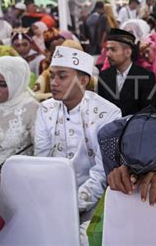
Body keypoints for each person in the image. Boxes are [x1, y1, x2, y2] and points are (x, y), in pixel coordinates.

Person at [35, 45, 121, 213]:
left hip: (95, 201)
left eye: (62, 76)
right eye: (52, 76)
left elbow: (101, 172)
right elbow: (41, 159)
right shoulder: (46, 109)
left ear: (83, 81)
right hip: (50, 196)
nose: (54, 83)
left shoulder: (107, 113)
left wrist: (72, 205)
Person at [98, 28, 156, 116]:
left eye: (113, 50)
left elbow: (147, 113)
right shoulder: (104, 76)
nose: (108, 54)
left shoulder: (146, 77)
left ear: (128, 52)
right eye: (107, 49)